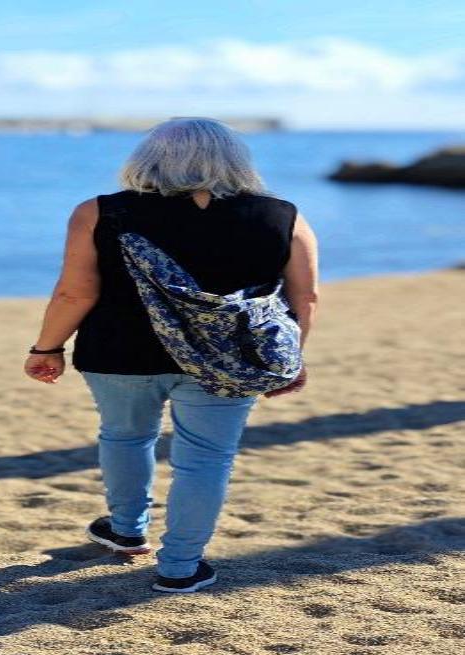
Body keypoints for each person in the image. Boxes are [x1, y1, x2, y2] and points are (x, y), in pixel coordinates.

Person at [24, 117, 319, 593]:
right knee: (206, 460)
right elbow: (303, 300)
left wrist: (48, 348)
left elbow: (74, 294)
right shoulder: (283, 216)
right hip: (229, 361)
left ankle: (126, 529)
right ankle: (180, 568)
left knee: (123, 436)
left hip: (118, 352)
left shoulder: (100, 212)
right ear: (236, 160)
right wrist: (289, 360)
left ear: (147, 158)